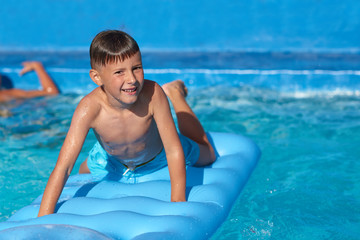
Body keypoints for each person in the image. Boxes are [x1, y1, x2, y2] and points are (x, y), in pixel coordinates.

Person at [37, 30, 216, 217]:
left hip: (159, 156)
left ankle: (177, 95)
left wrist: (178, 202)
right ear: (97, 77)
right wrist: (43, 216)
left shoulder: (153, 94)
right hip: (109, 159)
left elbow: (173, 149)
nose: (131, 79)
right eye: (119, 72)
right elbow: (64, 167)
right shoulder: (89, 108)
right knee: (83, 171)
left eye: (136, 67)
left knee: (209, 155)